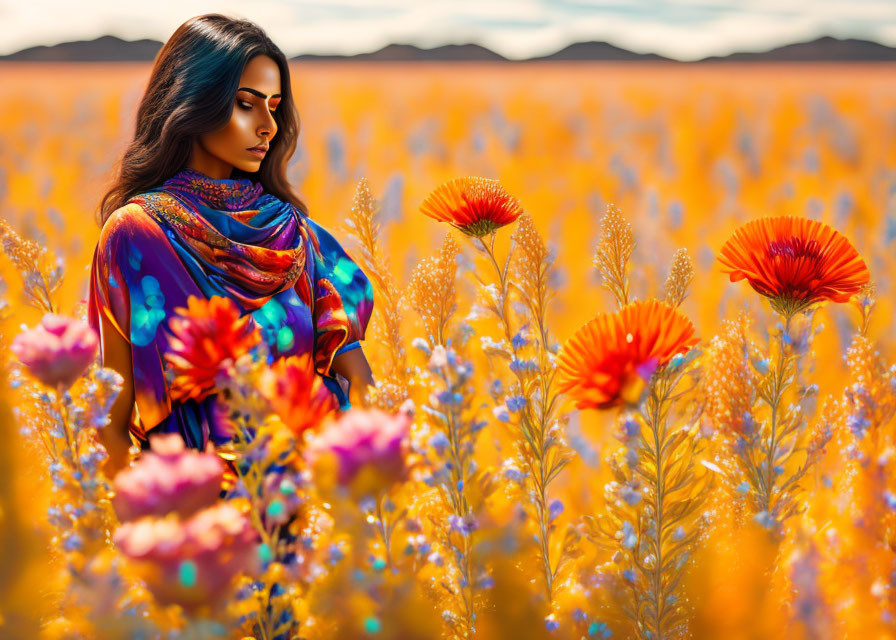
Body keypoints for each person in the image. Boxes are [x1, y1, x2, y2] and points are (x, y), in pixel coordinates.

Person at [87, 14, 375, 478]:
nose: (268, 126)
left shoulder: (298, 237)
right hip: (193, 517)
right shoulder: (136, 234)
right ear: (193, 100)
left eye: (274, 107)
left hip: (307, 508)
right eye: (246, 103)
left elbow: (361, 384)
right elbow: (111, 424)